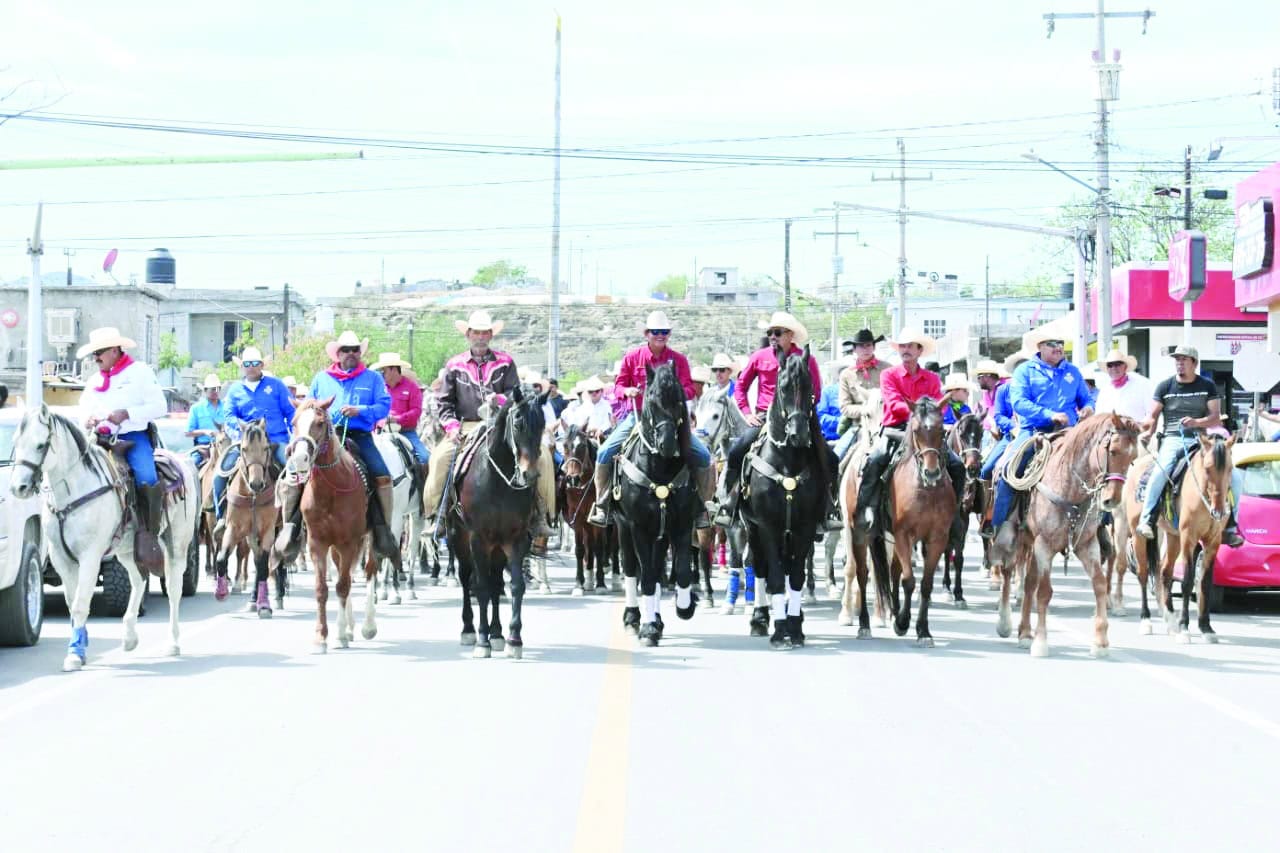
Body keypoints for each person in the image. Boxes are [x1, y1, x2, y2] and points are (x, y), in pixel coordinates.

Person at [423, 311, 552, 538]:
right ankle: (437, 515)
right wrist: (452, 429)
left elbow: (515, 393)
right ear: (468, 335)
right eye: (476, 332)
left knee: (542, 457)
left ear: (491, 335)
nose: (480, 337)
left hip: (501, 425)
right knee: (440, 458)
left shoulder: (506, 362)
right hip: (466, 426)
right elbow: (444, 401)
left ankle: (541, 513)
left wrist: (499, 399)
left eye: (485, 333)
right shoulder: (454, 365)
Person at [714, 311, 841, 531]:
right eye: (770, 332)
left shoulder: (806, 359)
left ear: (790, 335)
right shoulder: (759, 357)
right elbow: (741, 387)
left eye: (778, 332)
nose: (772, 336)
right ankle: (728, 503)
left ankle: (829, 507)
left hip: (800, 418)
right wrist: (747, 413)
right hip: (765, 418)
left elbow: (817, 393)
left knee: (830, 457)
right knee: (736, 452)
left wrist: (804, 406)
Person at [587, 310, 715, 528]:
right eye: (655, 331)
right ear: (647, 333)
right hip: (636, 417)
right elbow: (617, 386)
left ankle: (703, 509)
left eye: (664, 331)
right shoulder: (632, 357)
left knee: (703, 456)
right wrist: (627, 391)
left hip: (672, 421)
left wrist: (674, 392)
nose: (660, 335)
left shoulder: (680, 360)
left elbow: (689, 390)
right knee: (604, 451)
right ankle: (602, 505)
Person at [278, 331, 396, 556]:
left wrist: (360, 410)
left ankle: (383, 532)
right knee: (295, 473)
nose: (351, 354)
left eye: (355, 350)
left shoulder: (373, 378)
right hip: (323, 438)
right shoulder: (322, 378)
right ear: (338, 354)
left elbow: (383, 406)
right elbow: (308, 407)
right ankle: (290, 528)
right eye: (346, 350)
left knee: (381, 473)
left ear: (360, 353)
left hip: (360, 435)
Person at [853, 328, 966, 533]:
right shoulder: (889, 375)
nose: (905, 350)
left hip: (926, 433)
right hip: (895, 429)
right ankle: (866, 509)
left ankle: (955, 514)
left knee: (957, 465)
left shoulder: (932, 378)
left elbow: (939, 405)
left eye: (910, 346)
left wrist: (925, 418)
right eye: (902, 346)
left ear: (919, 351)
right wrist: (920, 414)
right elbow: (893, 403)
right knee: (875, 460)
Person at [77, 327, 170, 572]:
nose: (96, 358)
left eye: (100, 353)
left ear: (116, 350)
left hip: (132, 436)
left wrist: (127, 414)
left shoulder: (139, 372)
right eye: (94, 354)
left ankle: (149, 534)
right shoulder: (93, 380)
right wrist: (87, 419)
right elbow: (83, 409)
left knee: (146, 476)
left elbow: (160, 406)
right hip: (99, 439)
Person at [984, 332, 1093, 541]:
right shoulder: (1025, 371)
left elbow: (1086, 399)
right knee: (1008, 472)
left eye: (1060, 342)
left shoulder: (1073, 372)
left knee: (1098, 467)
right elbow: (1019, 403)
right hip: (1033, 432)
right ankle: (999, 528)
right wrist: (1050, 415)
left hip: (1068, 433)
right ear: (1040, 347)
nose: (1058, 347)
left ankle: (1098, 526)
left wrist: (1088, 408)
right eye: (1052, 343)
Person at [1137, 346, 1244, 546]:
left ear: (1194, 363)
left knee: (1235, 478)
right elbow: (1152, 416)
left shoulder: (1208, 385)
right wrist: (1147, 432)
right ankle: (1147, 518)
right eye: (1177, 359)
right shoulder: (1164, 387)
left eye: (1184, 359)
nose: (1179, 363)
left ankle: (1230, 526)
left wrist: (1196, 423)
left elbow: (1214, 418)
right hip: (1173, 437)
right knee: (1161, 471)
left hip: (1203, 440)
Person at [217, 346, 295, 539]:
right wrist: (238, 434)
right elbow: (229, 416)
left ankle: (294, 520)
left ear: (262, 365)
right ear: (242, 366)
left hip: (275, 440)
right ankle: (221, 516)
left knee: (294, 472)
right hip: (246, 444)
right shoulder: (234, 390)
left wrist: (295, 437)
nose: (251, 367)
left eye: (255, 363)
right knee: (222, 470)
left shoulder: (276, 385)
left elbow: (292, 412)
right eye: (247, 364)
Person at [371, 352, 430, 469]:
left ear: (393, 369)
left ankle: (423, 486)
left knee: (424, 458)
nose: (381, 374)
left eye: (384, 370)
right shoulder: (378, 388)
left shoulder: (411, 387)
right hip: (380, 432)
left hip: (406, 432)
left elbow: (416, 411)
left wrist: (397, 419)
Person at [836, 328, 889, 457]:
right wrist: (865, 410)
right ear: (854, 349)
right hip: (858, 426)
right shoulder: (846, 375)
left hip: (884, 426)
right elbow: (844, 407)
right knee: (836, 458)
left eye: (868, 345)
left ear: (874, 347)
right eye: (861, 346)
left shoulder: (888, 369)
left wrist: (879, 410)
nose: (865, 349)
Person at [979, 352, 1026, 487]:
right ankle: (987, 504)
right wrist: (1012, 427)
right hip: (1009, 435)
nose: (979, 380)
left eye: (980, 377)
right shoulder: (1003, 390)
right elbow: (996, 415)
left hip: (1033, 432)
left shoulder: (1038, 388)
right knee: (986, 470)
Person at [1092, 348, 1154, 422]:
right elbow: (1098, 416)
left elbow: (1151, 413)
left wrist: (1140, 427)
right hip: (1110, 432)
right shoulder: (1104, 390)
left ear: (1125, 366)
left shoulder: (1142, 385)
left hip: (1136, 431)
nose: (1114, 368)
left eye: (1117, 364)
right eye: (1110, 365)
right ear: (1107, 369)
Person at [185, 373, 225, 467]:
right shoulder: (196, 408)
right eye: (212, 389)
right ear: (205, 390)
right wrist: (205, 432)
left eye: (218, 388)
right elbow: (187, 432)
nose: (216, 391)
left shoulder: (227, 407)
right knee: (191, 468)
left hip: (224, 447)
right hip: (203, 448)